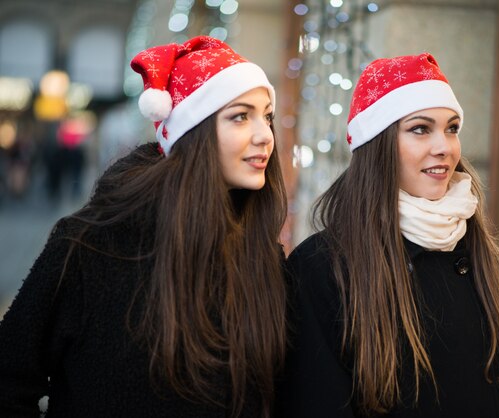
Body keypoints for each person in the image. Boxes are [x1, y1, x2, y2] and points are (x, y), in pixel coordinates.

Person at [0, 36, 287, 418]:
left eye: (266, 115)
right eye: (240, 116)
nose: (264, 135)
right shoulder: (91, 244)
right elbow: (9, 380)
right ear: (192, 132)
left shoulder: (262, 254)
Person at [279, 53, 499, 417]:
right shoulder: (322, 267)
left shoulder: (477, 248)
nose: (444, 146)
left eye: (452, 128)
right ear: (378, 143)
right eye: (420, 128)